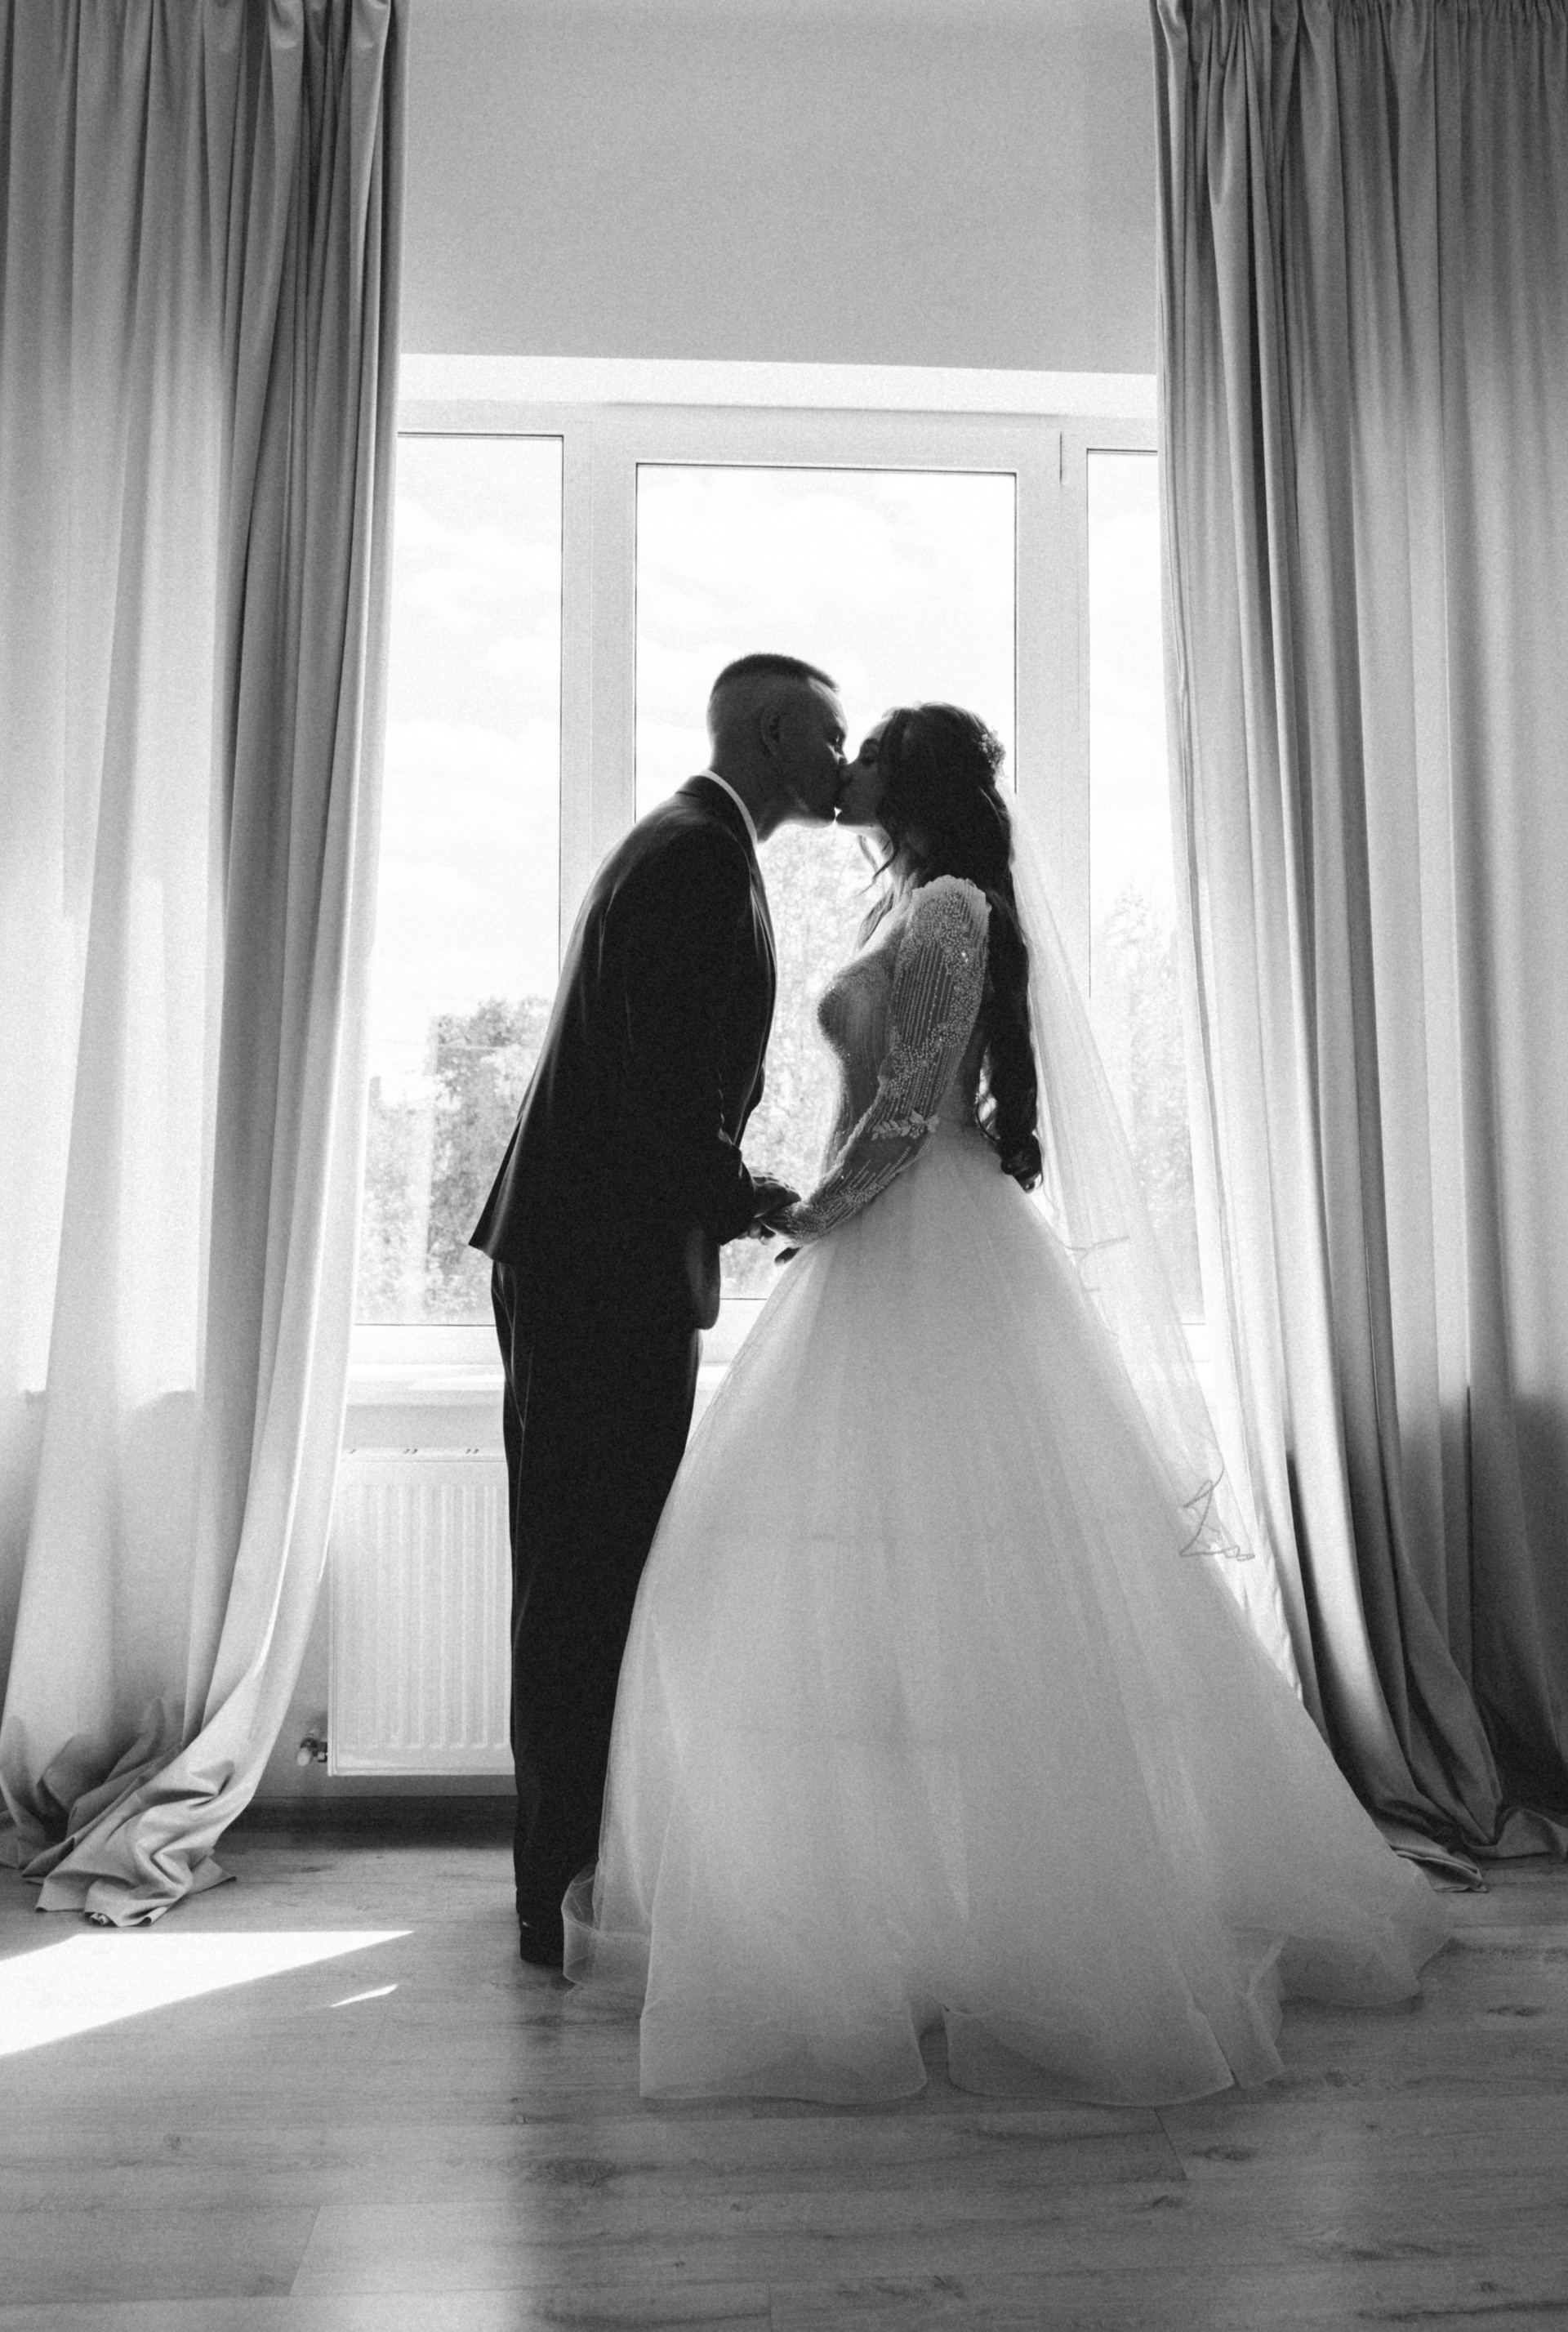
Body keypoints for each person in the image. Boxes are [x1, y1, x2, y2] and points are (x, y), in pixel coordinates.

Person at [563, 702, 1451, 2104]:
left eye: (867, 752)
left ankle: (1024, 1925)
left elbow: (913, 1104)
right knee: (856, 1596)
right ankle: (893, 1910)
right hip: (885, 1246)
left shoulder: (952, 908)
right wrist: (814, 1209)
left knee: (976, 1593)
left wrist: (816, 1211)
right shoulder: (914, 901)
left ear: (909, 782)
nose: (846, 768)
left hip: (925, 1245)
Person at [470, 652, 846, 1967]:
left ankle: (569, 1872)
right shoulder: (697, 857)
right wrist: (757, 1195)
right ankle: (560, 1892)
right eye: (831, 736)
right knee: (586, 1579)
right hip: (598, 1269)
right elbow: (658, 1088)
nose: (845, 762)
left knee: (587, 1572)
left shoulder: (694, 843)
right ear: (778, 730)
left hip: (589, 1259)